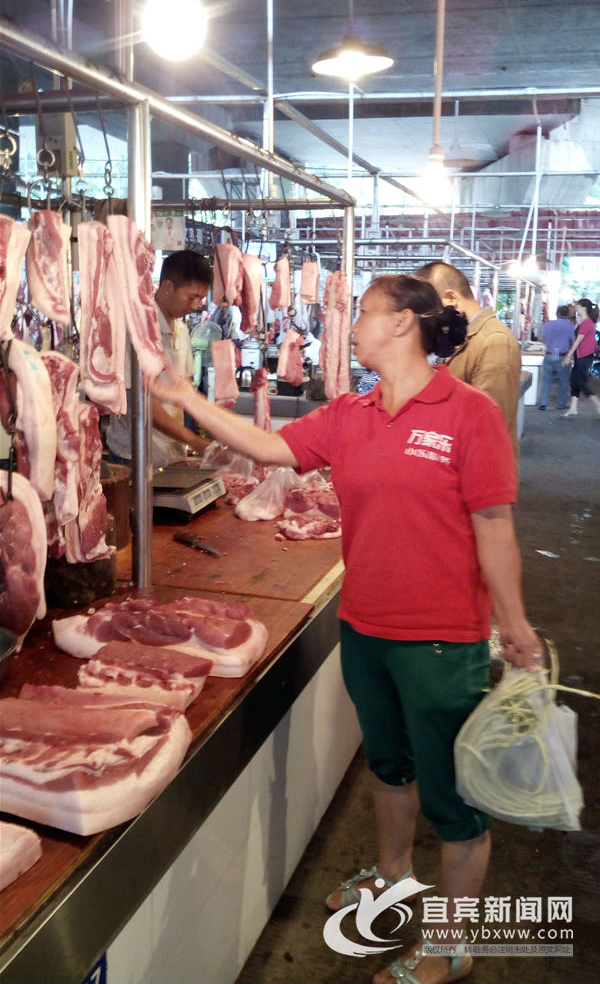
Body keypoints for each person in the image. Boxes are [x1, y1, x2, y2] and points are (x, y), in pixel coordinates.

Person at [149, 274, 541, 984]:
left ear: (404, 323)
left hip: (442, 639)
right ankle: (392, 879)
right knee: (390, 769)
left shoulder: (469, 413)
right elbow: (267, 447)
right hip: (365, 627)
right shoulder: (351, 413)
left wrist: (512, 624)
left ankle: (452, 944)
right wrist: (189, 399)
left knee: (452, 799)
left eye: (363, 313)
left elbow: (494, 526)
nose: (352, 325)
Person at [107, 249, 213, 469]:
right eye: (191, 297)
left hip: (171, 454)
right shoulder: (135, 329)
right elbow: (136, 401)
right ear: (167, 287)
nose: (196, 305)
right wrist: (194, 441)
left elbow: (185, 390)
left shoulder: (181, 330)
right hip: (133, 456)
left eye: (201, 298)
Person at [414, 261, 522, 468]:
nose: (428, 319)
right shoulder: (460, 337)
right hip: (458, 463)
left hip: (481, 470)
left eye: (430, 309)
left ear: (451, 298)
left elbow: (488, 422)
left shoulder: (494, 341)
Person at [560, 298, 600, 417]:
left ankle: (598, 404)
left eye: (577, 306)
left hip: (585, 356)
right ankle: (573, 408)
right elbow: (575, 338)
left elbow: (578, 341)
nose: (575, 308)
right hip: (580, 356)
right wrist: (577, 324)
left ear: (583, 308)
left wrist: (568, 356)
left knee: (581, 382)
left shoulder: (587, 323)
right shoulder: (584, 322)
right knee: (574, 381)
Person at [538, 304, 576, 410]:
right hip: (563, 356)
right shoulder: (570, 326)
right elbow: (573, 341)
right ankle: (561, 403)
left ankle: (543, 403)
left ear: (557, 313)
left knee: (546, 380)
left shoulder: (548, 324)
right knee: (563, 381)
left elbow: (542, 339)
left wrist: (550, 344)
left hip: (549, 355)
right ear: (568, 314)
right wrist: (571, 355)